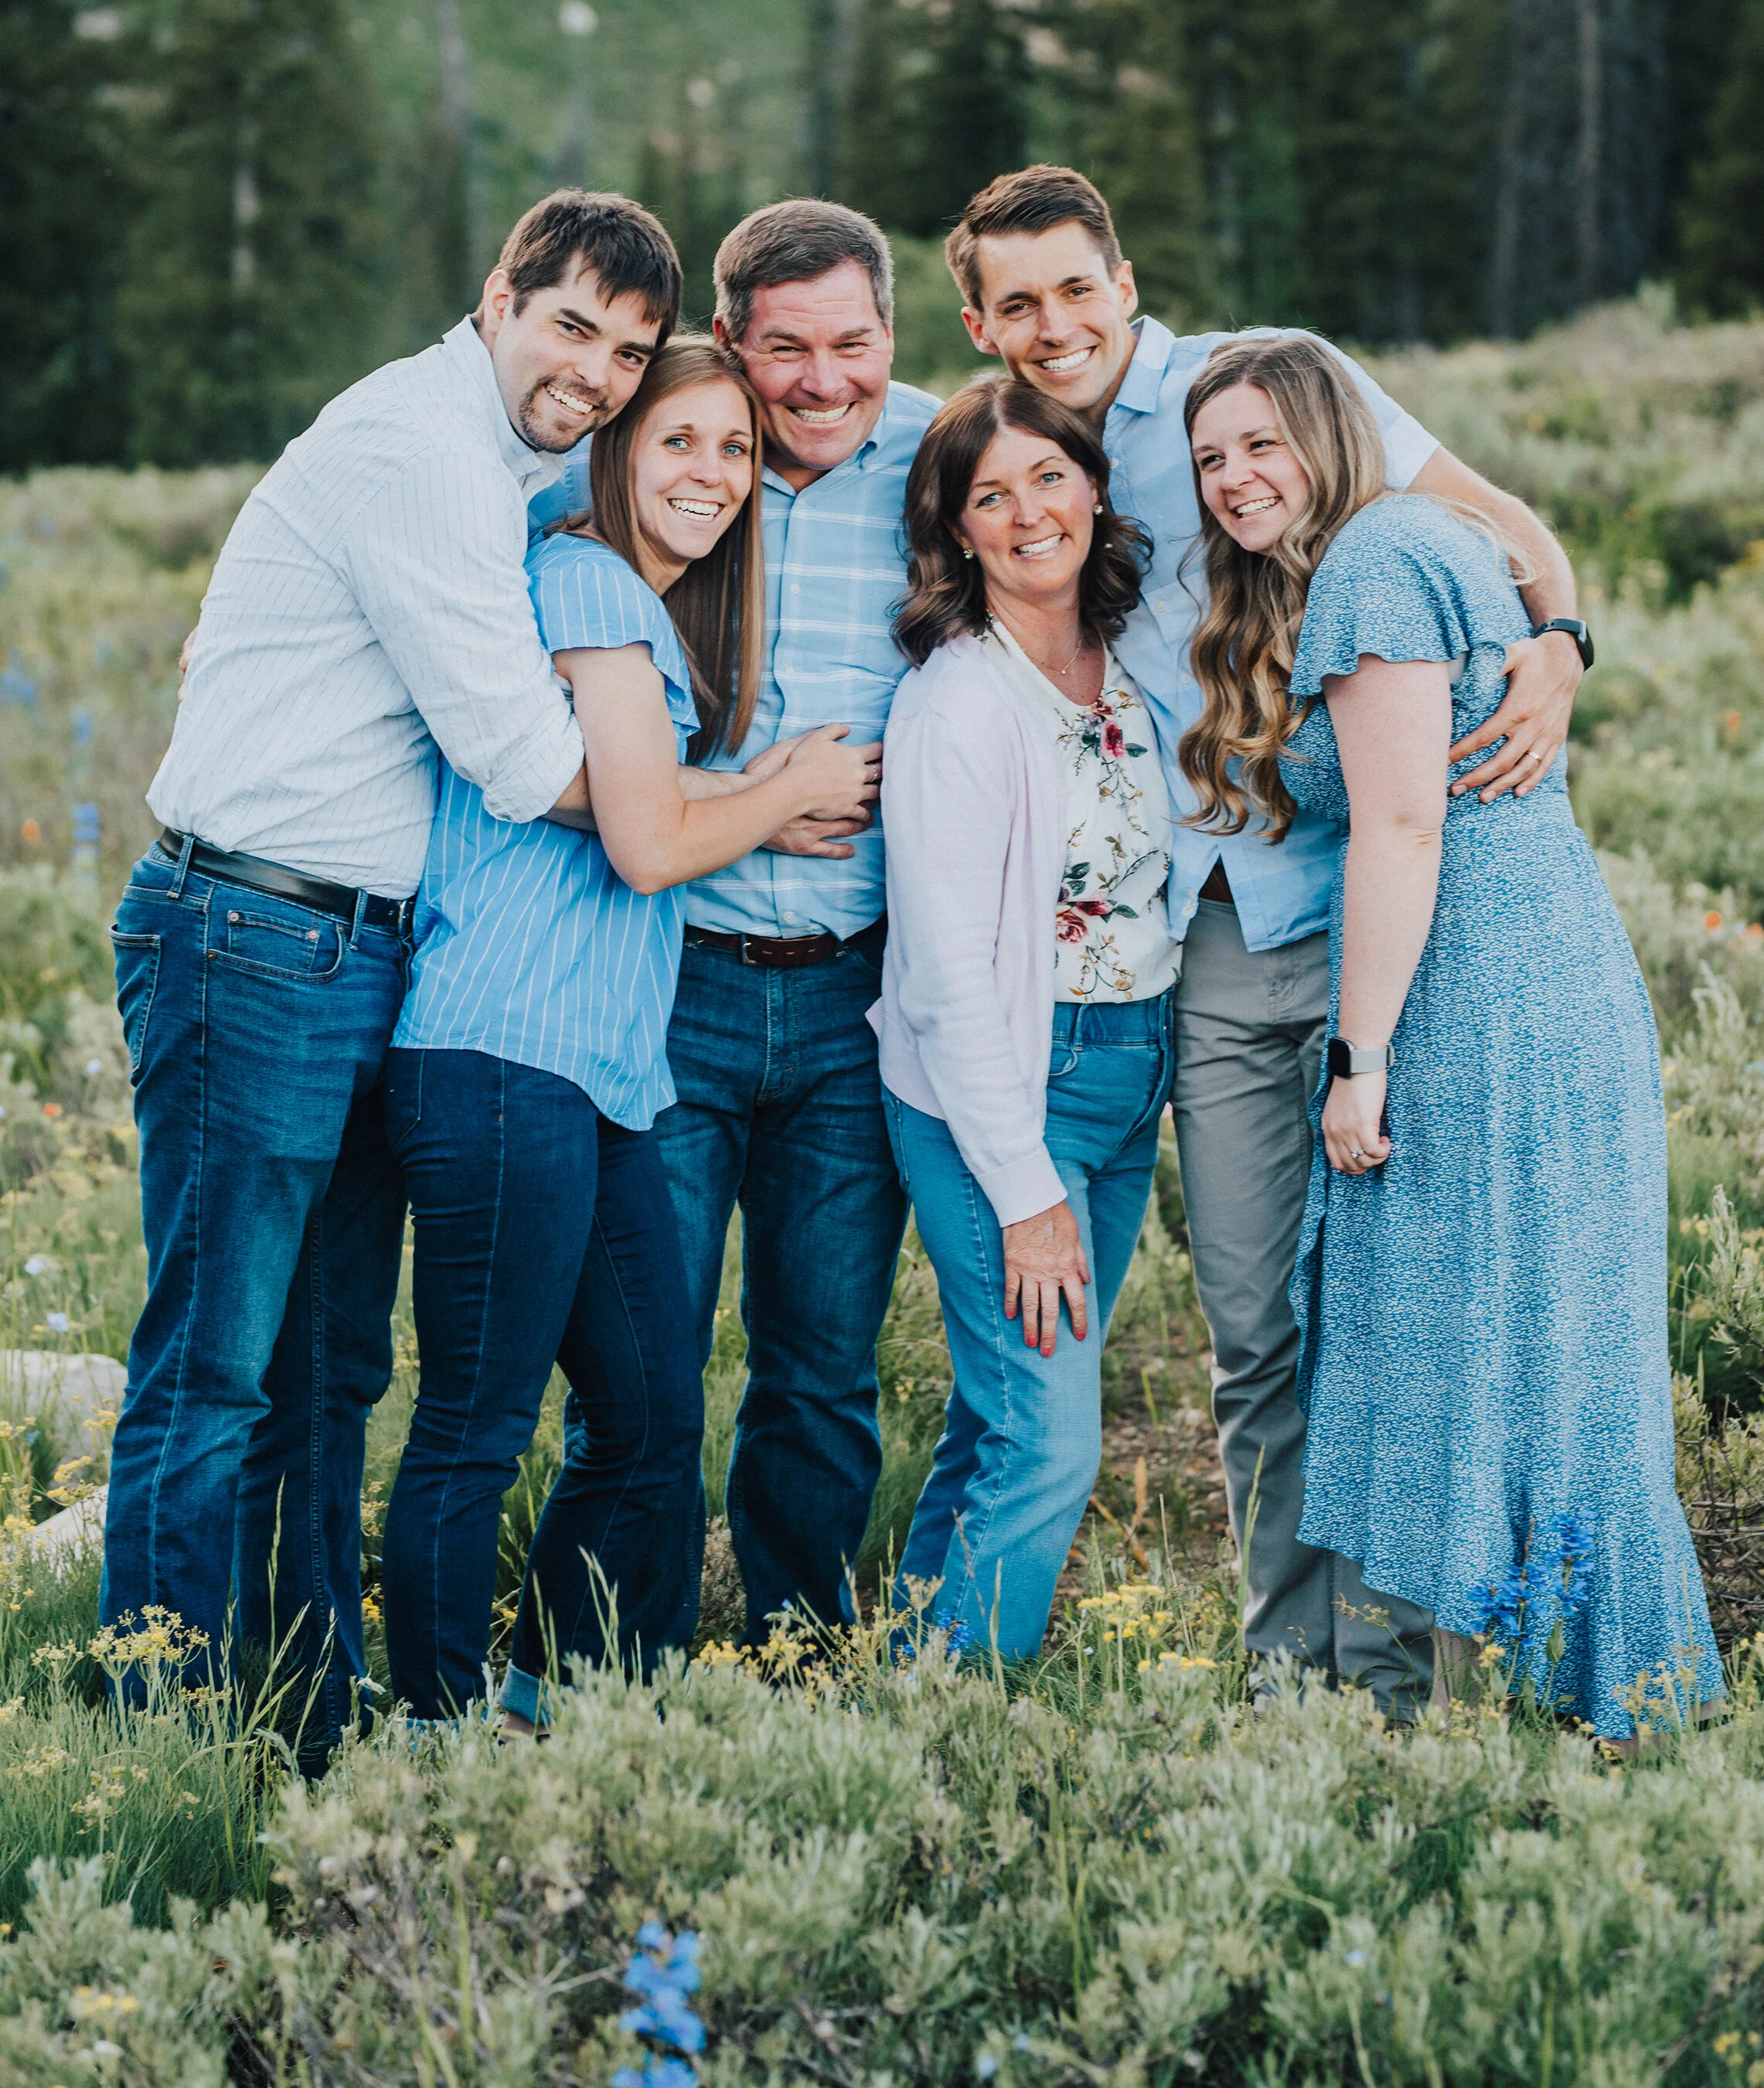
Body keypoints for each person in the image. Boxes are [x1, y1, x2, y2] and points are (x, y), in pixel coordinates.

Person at [947, 164, 1590, 1712]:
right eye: (1015, 304)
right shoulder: (1019, 454)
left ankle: (1397, 1680)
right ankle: (1292, 1676)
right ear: (979, 321)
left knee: (1392, 1313)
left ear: (1122, 278)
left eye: (1075, 289)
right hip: (1215, 944)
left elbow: (1503, 527)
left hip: (1390, 924)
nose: (1054, 327)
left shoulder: (1267, 392)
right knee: (1257, 1328)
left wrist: (1562, 640)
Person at [104, 190, 679, 1768]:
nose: (599, 375)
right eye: (573, 326)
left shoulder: (507, 451)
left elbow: (665, 460)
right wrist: (715, 807)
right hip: (250, 936)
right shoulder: (423, 452)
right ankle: (159, 1728)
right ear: (499, 294)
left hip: (354, 953)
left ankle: (304, 1711)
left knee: (332, 1366)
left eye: (631, 353)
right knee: (217, 1364)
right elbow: (519, 758)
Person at [1180, 334, 1722, 1735]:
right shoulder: (1426, 543)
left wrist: (1357, 1062)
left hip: (1479, 984)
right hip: (1546, 962)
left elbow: (1407, 824)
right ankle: (1594, 1696)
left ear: (1332, 433)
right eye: (1211, 459)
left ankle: (1502, 1700)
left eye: (1261, 443)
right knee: (1548, 1340)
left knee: (1462, 1333)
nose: (1237, 478)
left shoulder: (1373, 561)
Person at [382, 338, 879, 1725]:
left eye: (736, 449)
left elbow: (637, 804)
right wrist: (782, 795)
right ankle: (431, 1728)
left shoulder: (638, 611)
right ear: (615, 450)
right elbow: (651, 843)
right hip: (495, 1059)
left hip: (601, 1079)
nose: (714, 474)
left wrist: (764, 776)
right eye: (680, 441)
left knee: (655, 1416)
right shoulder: (590, 578)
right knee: (474, 1428)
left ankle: (555, 1698)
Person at [534, 199, 936, 1644]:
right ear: (729, 344)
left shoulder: (949, 461)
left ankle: (799, 1646)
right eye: (785, 350)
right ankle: (606, 1660)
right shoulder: (678, 457)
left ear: (892, 333)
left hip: (854, 993)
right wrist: (767, 791)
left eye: (853, 344)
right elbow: (501, 561)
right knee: (641, 1366)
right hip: (673, 978)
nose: (823, 380)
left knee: (821, 1362)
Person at [873, 378, 1176, 1659]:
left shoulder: (1142, 652)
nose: (1026, 512)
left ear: (1094, 486)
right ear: (957, 532)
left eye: (1047, 478)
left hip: (1127, 1068)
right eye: (988, 496)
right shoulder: (958, 702)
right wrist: (1024, 1189)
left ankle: (904, 1665)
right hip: (1002, 1090)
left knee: (1001, 1412)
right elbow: (943, 977)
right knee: (1052, 1441)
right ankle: (959, 1724)